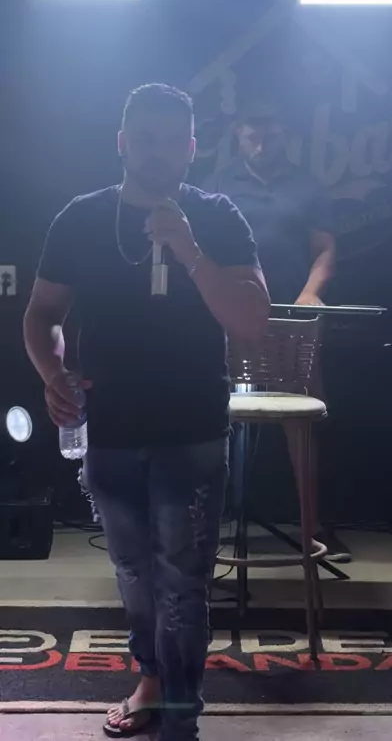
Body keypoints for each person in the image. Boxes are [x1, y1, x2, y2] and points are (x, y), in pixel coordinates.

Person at [24, 84, 270, 740]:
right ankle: (152, 680)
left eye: (170, 142)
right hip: (109, 425)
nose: (156, 153)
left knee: (182, 582)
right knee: (134, 572)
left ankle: (182, 718)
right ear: (122, 143)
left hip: (191, 428)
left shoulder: (216, 217)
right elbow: (42, 314)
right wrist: (52, 371)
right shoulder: (82, 218)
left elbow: (251, 319)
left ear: (191, 149)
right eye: (144, 139)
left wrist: (190, 250)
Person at [204, 103, 351, 564]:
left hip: (291, 319)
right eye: (253, 135)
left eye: (270, 135)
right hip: (231, 317)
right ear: (239, 134)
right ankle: (202, 527)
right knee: (210, 415)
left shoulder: (307, 185)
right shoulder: (220, 182)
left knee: (301, 423)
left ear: (284, 134)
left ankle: (312, 529)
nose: (262, 143)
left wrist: (310, 293)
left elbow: (325, 249)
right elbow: (200, 246)